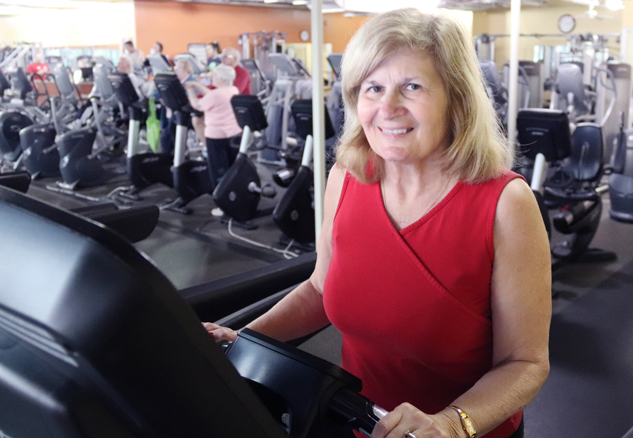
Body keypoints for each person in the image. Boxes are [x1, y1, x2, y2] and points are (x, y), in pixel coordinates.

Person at [205, 8, 551, 438]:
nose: (387, 108)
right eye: (373, 87)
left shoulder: (505, 204)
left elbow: (526, 362)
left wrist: (451, 424)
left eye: (412, 86)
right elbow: (319, 288)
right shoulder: (345, 178)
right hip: (360, 423)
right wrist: (239, 341)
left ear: (455, 97)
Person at [184, 64, 241, 190]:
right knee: (232, 167)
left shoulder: (215, 95)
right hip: (233, 133)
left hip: (216, 136)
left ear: (221, 79)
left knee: (218, 170)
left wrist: (190, 90)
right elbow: (214, 95)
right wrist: (198, 85)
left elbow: (197, 105)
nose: (212, 78)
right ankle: (234, 194)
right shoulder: (233, 90)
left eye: (214, 76)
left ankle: (222, 202)